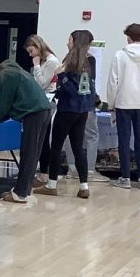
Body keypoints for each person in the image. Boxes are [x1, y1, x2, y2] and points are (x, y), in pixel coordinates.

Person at [0, 57, 51, 203]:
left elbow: (1, 108)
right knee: (33, 153)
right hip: (43, 109)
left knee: (28, 153)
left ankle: (20, 193)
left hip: (32, 113)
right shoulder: (11, 70)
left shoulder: (4, 77)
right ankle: (23, 190)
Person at [38, 31, 96, 200]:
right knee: (78, 147)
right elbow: (86, 89)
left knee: (56, 146)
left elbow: (71, 90)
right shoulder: (88, 62)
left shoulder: (70, 62)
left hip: (67, 109)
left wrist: (61, 74)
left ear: (75, 41)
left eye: (69, 39)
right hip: (82, 110)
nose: (66, 42)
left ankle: (52, 184)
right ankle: (84, 186)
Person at [105, 22, 140, 190]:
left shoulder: (119, 55)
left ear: (127, 37)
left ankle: (125, 177)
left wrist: (111, 103)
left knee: (123, 140)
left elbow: (112, 83)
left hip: (122, 103)